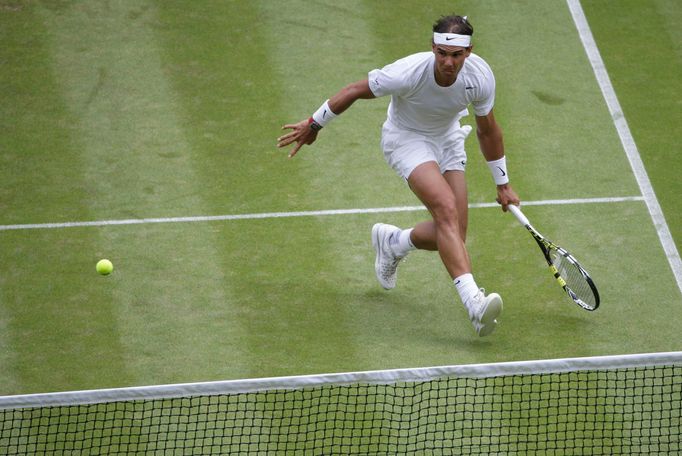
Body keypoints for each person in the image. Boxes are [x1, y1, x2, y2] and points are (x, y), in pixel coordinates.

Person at [277, 15, 520, 337]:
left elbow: (487, 130)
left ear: (469, 52)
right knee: (445, 209)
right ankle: (474, 302)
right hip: (406, 140)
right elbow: (353, 90)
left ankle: (395, 243)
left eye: (456, 55)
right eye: (442, 54)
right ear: (433, 48)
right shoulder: (408, 72)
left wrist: (502, 183)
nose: (448, 62)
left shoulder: (480, 78)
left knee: (454, 235)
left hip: (447, 140)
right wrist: (314, 124)